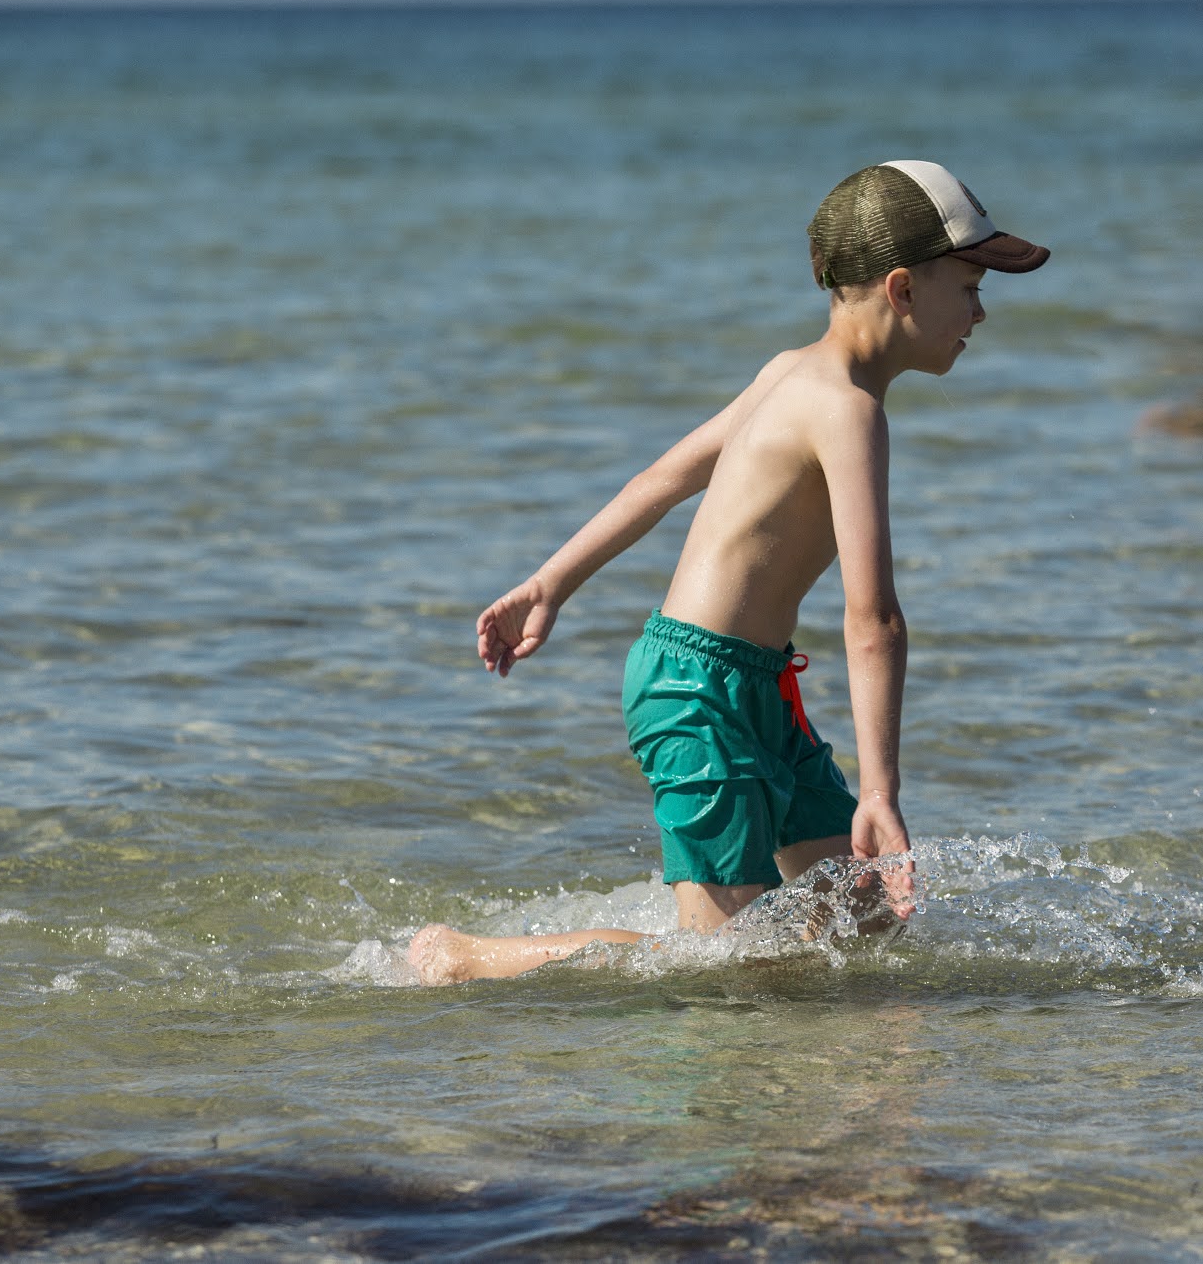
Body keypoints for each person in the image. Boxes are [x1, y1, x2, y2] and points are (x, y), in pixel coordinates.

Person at [408, 161, 1049, 985]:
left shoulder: (790, 371)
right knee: (723, 965)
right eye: (969, 287)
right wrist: (880, 791)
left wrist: (549, 583)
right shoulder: (848, 410)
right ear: (901, 289)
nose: (981, 312)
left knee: (862, 923)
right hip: (694, 690)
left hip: (757, 685)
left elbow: (660, 480)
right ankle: (466, 957)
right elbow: (874, 619)